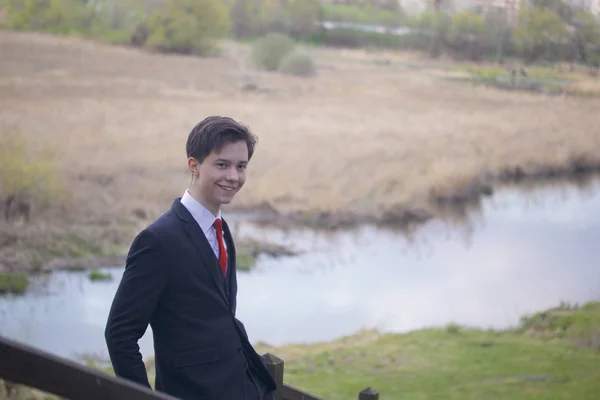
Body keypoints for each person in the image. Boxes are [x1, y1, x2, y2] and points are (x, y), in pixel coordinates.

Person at [104, 116, 276, 400]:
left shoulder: (222, 229)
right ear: (193, 165)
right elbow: (120, 334)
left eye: (241, 166)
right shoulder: (157, 241)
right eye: (222, 164)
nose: (233, 176)